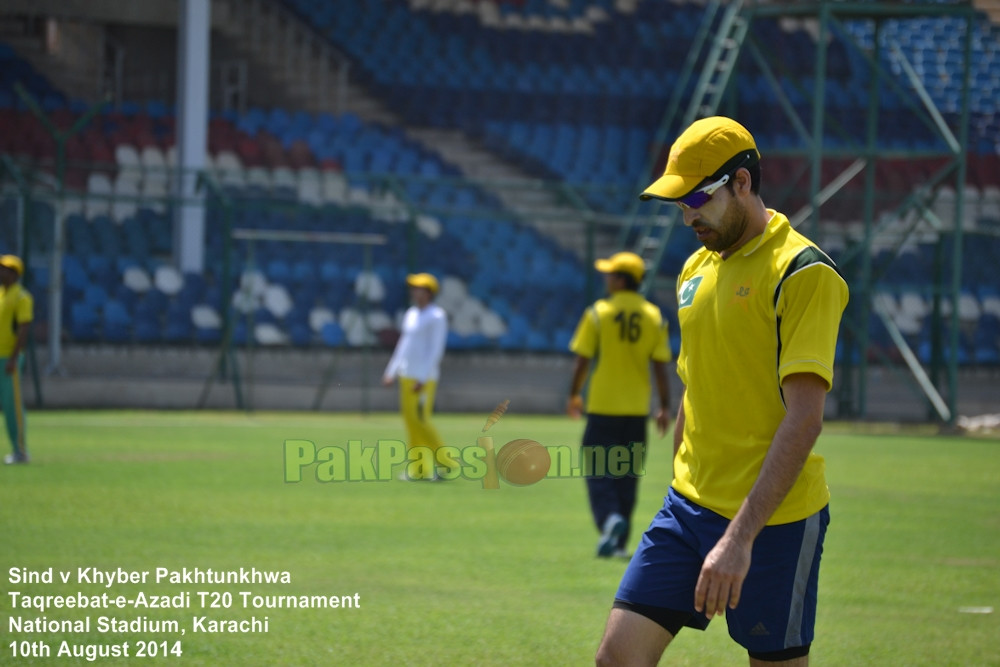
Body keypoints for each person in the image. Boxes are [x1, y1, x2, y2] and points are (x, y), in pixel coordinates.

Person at [595, 117, 849, 667]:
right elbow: (696, 386)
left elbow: (805, 418)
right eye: (678, 204)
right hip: (687, 510)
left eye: (696, 199)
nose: (687, 216)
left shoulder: (803, 272)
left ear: (742, 182)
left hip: (775, 523)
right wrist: (680, 483)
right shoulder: (693, 269)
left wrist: (739, 538)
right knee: (617, 657)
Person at [567, 251, 671, 558]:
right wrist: (664, 405)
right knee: (628, 477)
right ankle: (619, 544)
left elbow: (582, 361)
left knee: (598, 469)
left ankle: (609, 520)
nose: (606, 279)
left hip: (602, 407)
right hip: (636, 410)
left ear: (622, 279)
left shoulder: (599, 312)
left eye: (611, 274)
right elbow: (661, 366)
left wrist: (574, 393)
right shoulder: (654, 315)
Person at [382, 273, 448, 480]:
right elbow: (404, 345)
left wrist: (423, 377)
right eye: (413, 288)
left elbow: (436, 349)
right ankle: (419, 469)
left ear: (429, 292)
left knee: (421, 420)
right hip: (407, 375)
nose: (414, 291)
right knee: (411, 423)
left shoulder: (436, 316)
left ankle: (445, 462)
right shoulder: (411, 314)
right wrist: (391, 370)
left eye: (419, 288)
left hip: (423, 378)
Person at [0, 255, 33, 465]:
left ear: (15, 273)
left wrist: (13, 358)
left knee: (12, 406)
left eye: (6, 269)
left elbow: (23, 329)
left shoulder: (21, 296)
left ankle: (20, 451)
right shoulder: (1, 295)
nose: (1, 272)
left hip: (8, 359)